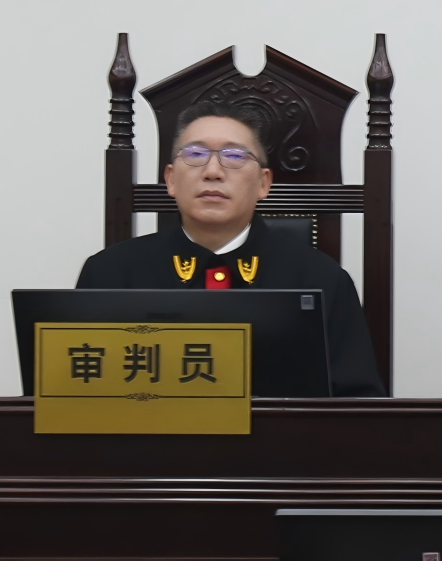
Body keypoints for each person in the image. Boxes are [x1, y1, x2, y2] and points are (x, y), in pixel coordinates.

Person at [73, 99, 387, 397]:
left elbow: (359, 408)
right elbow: (75, 395)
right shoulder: (110, 273)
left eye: (235, 156)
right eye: (195, 154)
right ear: (170, 179)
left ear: (264, 183)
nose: (213, 171)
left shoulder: (322, 280)